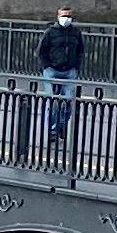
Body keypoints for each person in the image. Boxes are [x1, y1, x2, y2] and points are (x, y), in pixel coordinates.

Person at [37, 11, 85, 155]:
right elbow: (41, 51)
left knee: (68, 101)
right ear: (58, 17)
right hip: (52, 69)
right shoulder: (50, 32)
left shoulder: (76, 33)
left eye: (69, 16)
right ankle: (52, 130)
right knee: (52, 101)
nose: (66, 18)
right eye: (64, 16)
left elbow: (80, 51)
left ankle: (62, 125)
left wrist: (76, 66)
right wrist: (46, 66)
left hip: (69, 70)